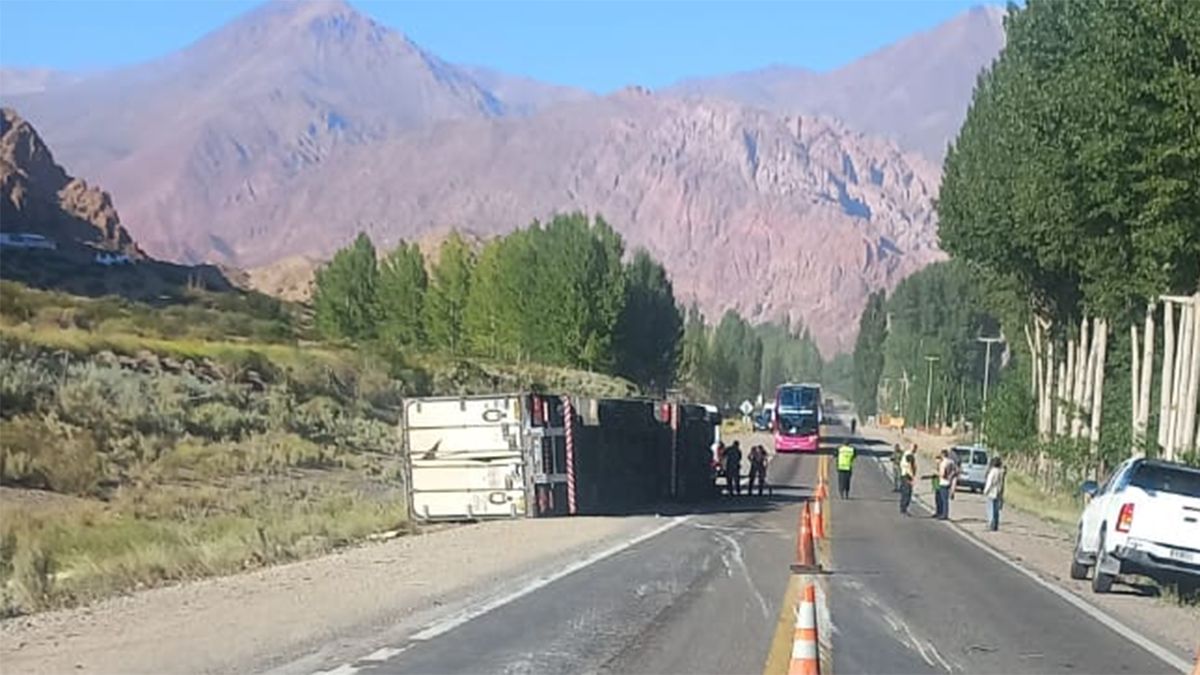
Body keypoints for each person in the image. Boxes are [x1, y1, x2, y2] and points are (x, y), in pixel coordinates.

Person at [983, 456, 1007, 531]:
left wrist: (986, 491)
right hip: (999, 492)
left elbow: (989, 482)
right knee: (996, 510)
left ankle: (991, 523)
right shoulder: (1001, 472)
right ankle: (996, 524)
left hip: (992, 492)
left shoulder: (993, 471)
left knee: (990, 509)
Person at [935, 449, 956, 520]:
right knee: (946, 500)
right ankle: (945, 513)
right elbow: (955, 471)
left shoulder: (943, 463)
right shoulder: (951, 462)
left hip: (943, 482)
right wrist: (950, 477)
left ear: (943, 455)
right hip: (949, 482)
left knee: (943, 499)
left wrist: (938, 474)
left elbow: (942, 473)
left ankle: (943, 514)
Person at [899, 444, 917, 516]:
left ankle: (903, 508)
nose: (915, 450)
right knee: (907, 492)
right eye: (914, 448)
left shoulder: (908, 454)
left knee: (906, 492)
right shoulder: (909, 455)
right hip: (907, 475)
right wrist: (913, 477)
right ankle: (904, 508)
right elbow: (909, 466)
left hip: (905, 475)